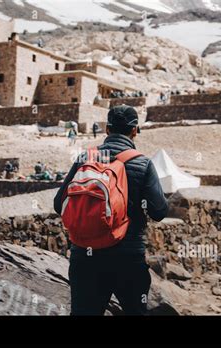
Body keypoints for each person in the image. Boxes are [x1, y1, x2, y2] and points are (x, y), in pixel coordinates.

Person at [54, 105, 168, 316]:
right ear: (134, 131)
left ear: (107, 129)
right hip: (127, 258)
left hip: (85, 257)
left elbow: (57, 203)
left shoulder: (84, 158)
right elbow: (159, 212)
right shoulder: (143, 163)